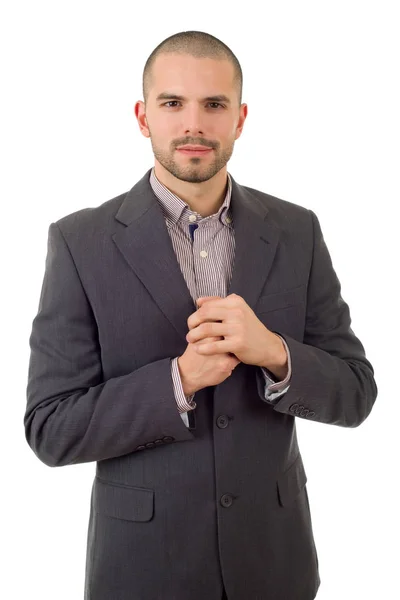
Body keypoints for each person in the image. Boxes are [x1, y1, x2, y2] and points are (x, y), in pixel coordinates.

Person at [24, 30, 378, 600]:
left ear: (240, 118)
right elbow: (49, 427)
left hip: (275, 562)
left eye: (214, 105)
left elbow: (358, 393)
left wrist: (275, 354)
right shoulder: (79, 242)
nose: (195, 124)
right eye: (173, 104)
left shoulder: (297, 231)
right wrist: (179, 381)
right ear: (143, 117)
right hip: (142, 570)